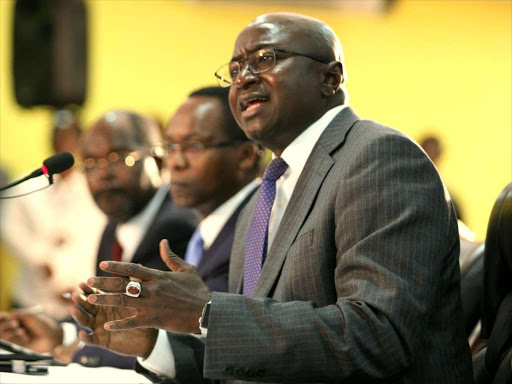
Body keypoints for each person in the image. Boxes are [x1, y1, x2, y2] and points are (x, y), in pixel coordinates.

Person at [73, 13, 473, 383]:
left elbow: (377, 335)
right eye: (235, 69)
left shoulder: (378, 157)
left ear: (330, 79)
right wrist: (153, 344)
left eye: (264, 58)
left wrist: (206, 312)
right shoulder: (264, 196)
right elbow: (254, 357)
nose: (243, 78)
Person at [0, 110, 198, 368]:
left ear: (159, 162)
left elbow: (150, 339)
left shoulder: (174, 229)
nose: (103, 173)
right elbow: (108, 317)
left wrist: (73, 349)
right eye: (91, 162)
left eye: (119, 158)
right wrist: (60, 333)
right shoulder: (116, 225)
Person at [0, 109, 106, 320]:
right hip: (32, 296)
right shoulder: (27, 184)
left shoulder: (94, 187)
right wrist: (41, 259)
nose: (64, 143)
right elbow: (10, 229)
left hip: (78, 295)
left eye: (69, 138)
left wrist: (72, 282)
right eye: (59, 138)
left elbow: (95, 239)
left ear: (79, 142)